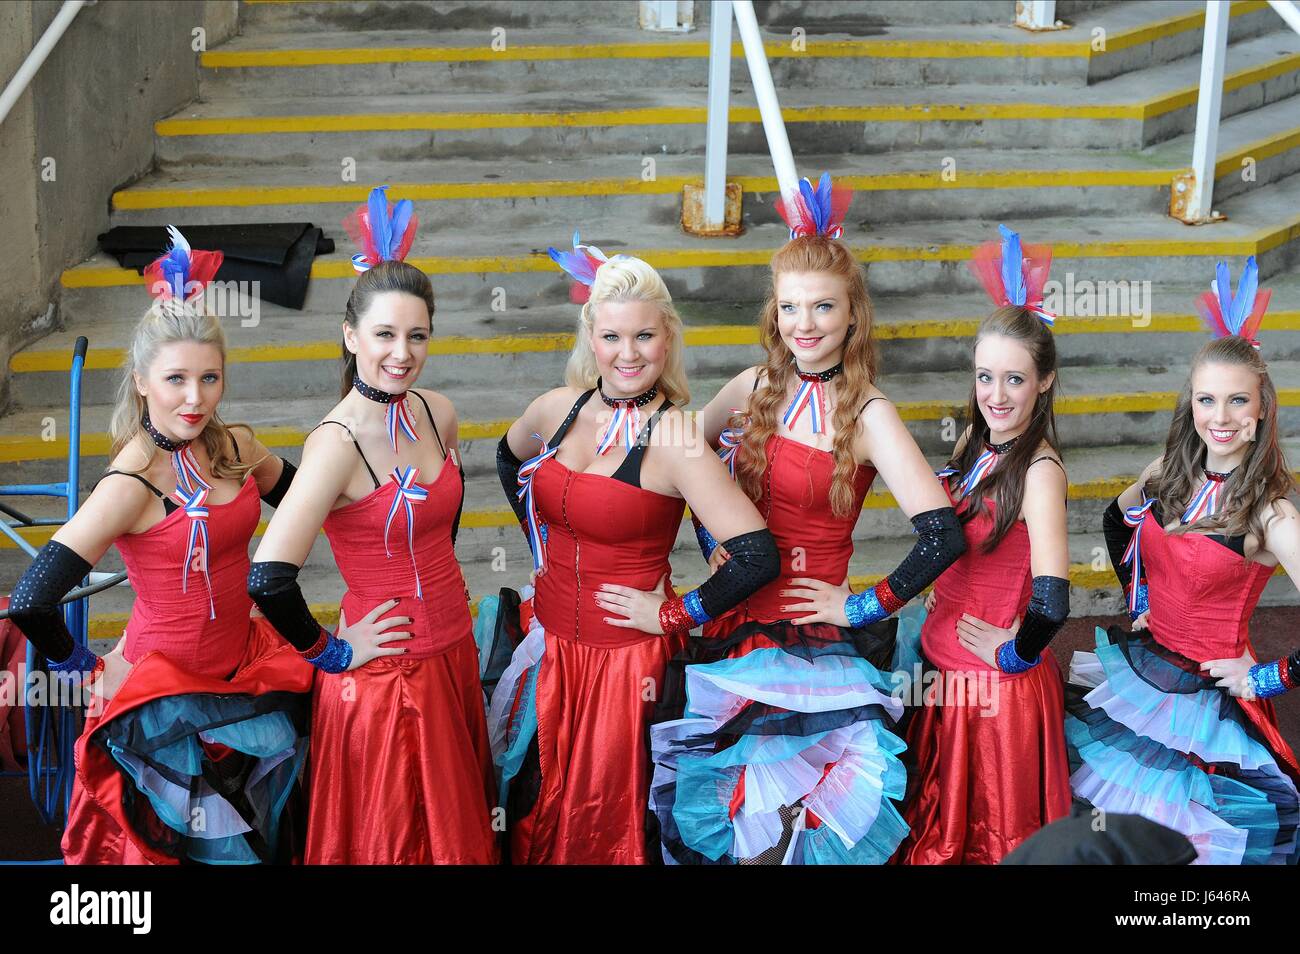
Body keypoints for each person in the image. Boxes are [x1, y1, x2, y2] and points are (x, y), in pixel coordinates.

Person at [646, 175, 966, 864]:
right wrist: (714, 544)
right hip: (733, 625)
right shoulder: (754, 387)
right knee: (730, 816)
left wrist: (862, 606)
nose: (805, 324)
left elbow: (943, 533)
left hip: (811, 641)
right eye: (791, 307)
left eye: (823, 307)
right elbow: (678, 460)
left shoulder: (872, 414)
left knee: (798, 824)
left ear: (854, 317)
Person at [8, 229, 312, 864]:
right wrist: (87, 668)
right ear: (143, 382)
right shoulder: (130, 484)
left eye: (209, 378)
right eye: (176, 379)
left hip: (242, 673)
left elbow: (307, 498)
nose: (195, 398)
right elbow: (34, 600)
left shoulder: (232, 448)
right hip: (163, 701)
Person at [490, 234, 780, 864]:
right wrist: (542, 545)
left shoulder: (676, 438)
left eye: (643, 337)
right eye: (612, 337)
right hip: (548, 650)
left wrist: (672, 615)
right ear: (590, 337)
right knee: (537, 806)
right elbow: (508, 458)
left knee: (608, 827)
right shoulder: (558, 407)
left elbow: (758, 554)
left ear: (667, 337)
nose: (627, 354)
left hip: (626, 671)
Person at [247, 187, 497, 864]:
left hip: (451, 656)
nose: (401, 352)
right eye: (384, 334)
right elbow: (269, 578)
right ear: (351, 335)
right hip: (386, 678)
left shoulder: (437, 412)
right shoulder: (336, 442)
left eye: (417, 335)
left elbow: (437, 532)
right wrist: (333, 651)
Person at [1071, 256, 1300, 864]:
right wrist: (1141, 598)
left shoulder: (1273, 514)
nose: (1220, 418)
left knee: (1189, 851)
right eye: (1206, 400)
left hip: (1208, 702)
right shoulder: (1167, 474)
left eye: (1236, 402)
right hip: (1142, 673)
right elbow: (1115, 523)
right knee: (1115, 832)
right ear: (1190, 403)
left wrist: (1267, 676)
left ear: (1261, 410)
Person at [895, 225, 1073, 865]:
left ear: (1045, 382)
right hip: (945, 676)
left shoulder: (1041, 472)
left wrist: (1015, 656)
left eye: (1015, 381)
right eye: (984, 377)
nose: (996, 396)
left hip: (995, 698)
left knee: (996, 847)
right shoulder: (977, 449)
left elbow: (1052, 601)